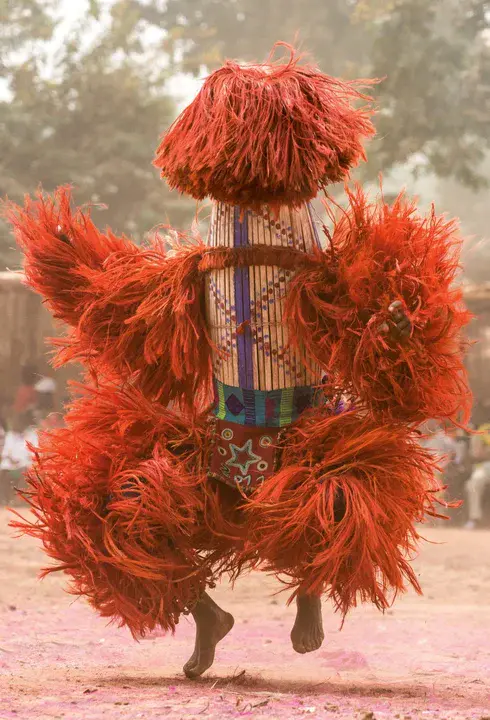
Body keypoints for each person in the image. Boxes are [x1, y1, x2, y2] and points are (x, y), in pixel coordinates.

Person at [5, 44, 471, 678]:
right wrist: (71, 263)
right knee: (102, 510)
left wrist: (399, 320)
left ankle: (308, 591)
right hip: (219, 438)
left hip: (308, 440)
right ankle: (205, 614)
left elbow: (383, 319)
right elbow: (117, 300)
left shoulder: (329, 275)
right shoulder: (189, 279)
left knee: (339, 505)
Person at [0, 411, 37, 506]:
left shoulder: (31, 434)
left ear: (24, 422)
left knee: (26, 472)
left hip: (25, 462)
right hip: (10, 463)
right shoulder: (10, 435)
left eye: (18, 421)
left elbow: (34, 452)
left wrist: (23, 460)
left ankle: (19, 499)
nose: (16, 424)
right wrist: (11, 459)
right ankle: (5, 499)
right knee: (2, 472)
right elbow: (5, 452)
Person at [465, 415, 490, 529]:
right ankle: (474, 518)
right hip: (485, 466)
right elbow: (477, 453)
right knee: (473, 484)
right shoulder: (483, 431)